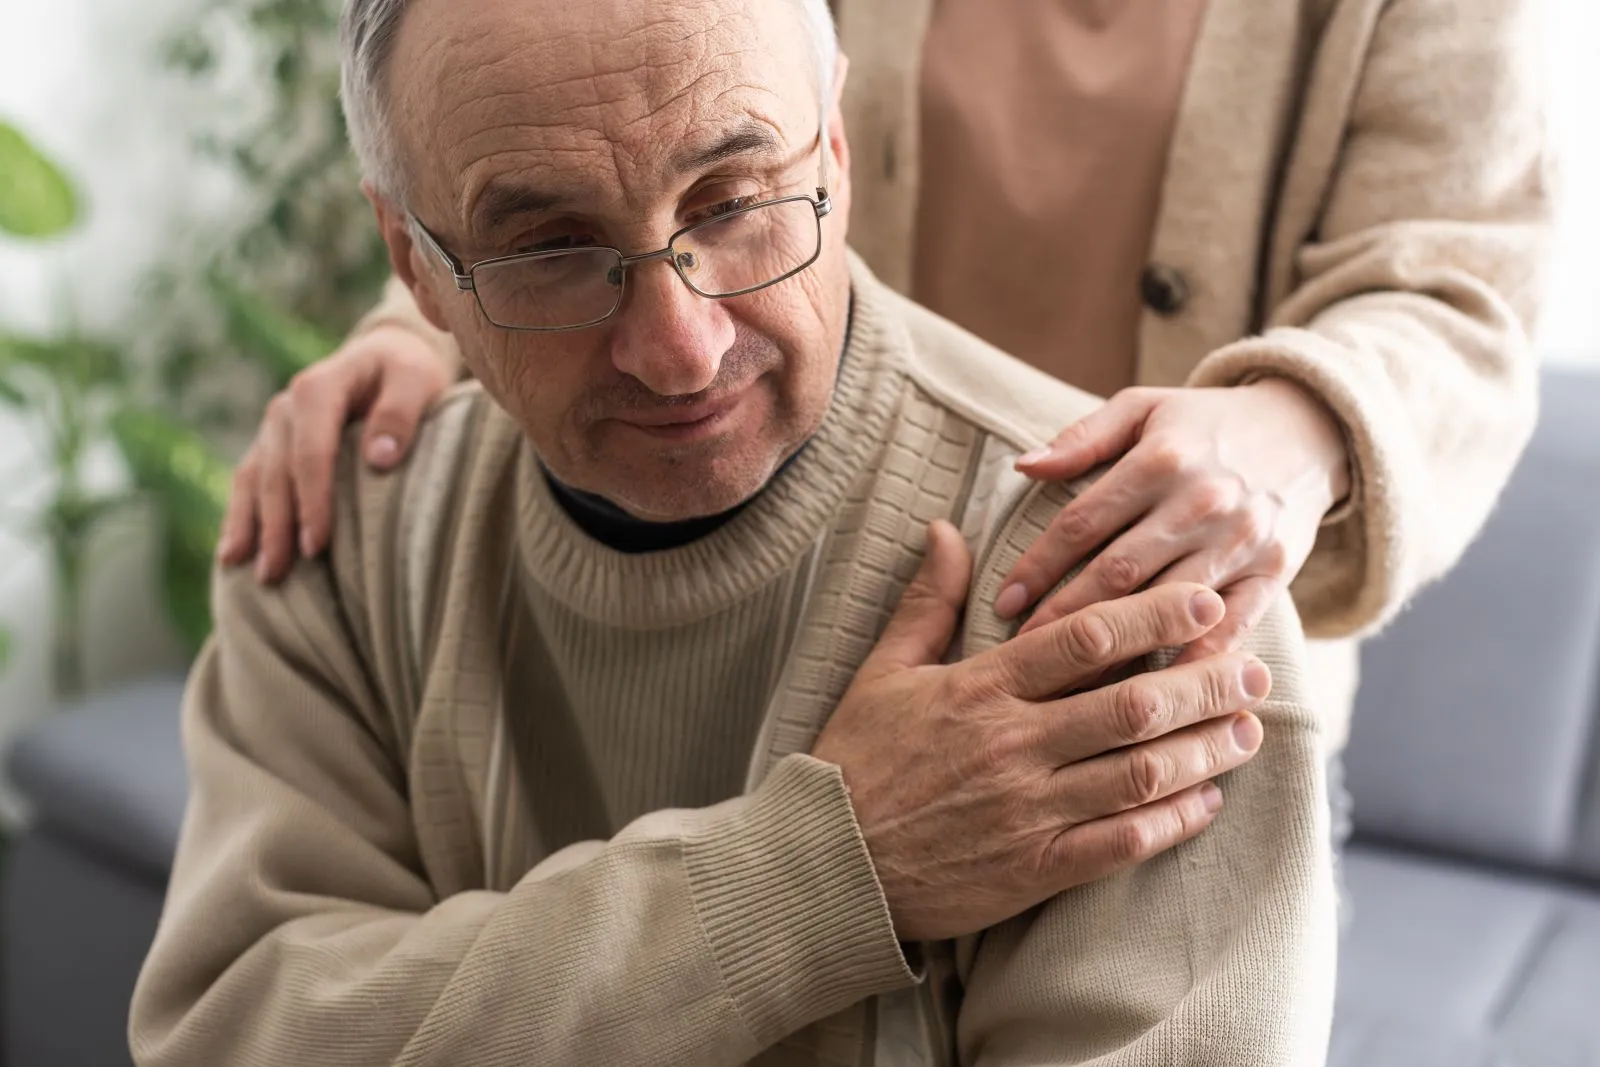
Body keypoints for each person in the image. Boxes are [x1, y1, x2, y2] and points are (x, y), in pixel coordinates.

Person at [129, 0, 1336, 1064]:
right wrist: (812, 872)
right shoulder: (335, 539)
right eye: (553, 246)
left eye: (736, 199)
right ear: (414, 262)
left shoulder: (1143, 594)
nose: (680, 350)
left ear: (837, 151)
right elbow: (234, 1033)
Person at [218, 0, 1552, 758]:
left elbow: (1461, 283)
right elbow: (630, 125)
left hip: (1163, 627)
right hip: (799, 611)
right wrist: (413, 323)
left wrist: (1300, 421)